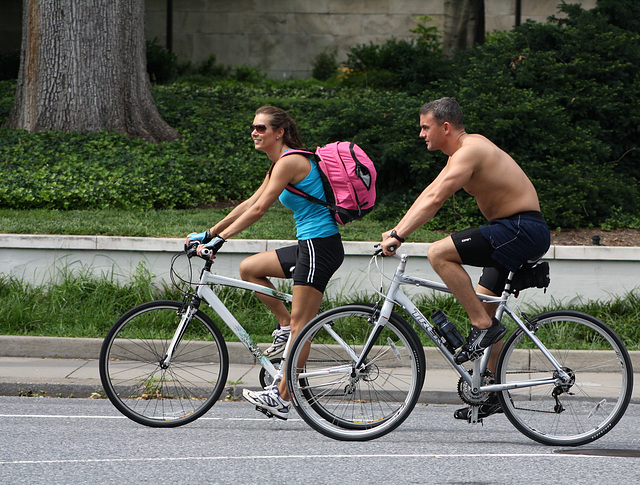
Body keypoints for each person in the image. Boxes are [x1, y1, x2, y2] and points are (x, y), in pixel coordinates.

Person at [380, 97, 550, 419]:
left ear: (445, 127)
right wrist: (397, 228)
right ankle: (493, 387)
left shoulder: (470, 149)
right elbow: (431, 192)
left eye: (425, 127)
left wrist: (399, 236)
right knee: (485, 301)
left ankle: (482, 325)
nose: (421, 134)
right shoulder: (463, 152)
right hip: (514, 229)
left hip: (520, 228)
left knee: (439, 253)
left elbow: (435, 197)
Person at [187, 105, 344, 420]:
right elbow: (250, 202)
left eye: (261, 128)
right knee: (251, 269)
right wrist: (209, 232)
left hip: (320, 247)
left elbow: (260, 211)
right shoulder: (278, 165)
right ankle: (285, 325)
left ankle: (282, 395)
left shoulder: (291, 162)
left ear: (279, 132)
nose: (254, 133)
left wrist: (220, 241)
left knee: (304, 324)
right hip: (308, 246)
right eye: (253, 128)